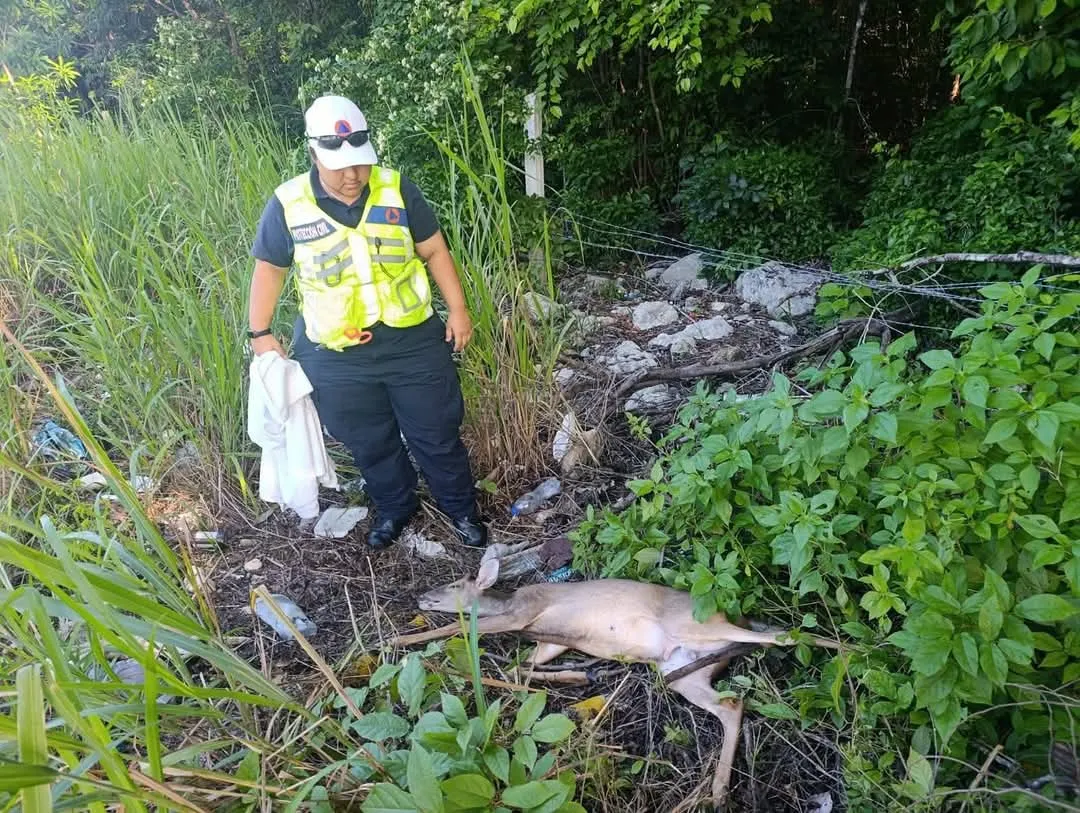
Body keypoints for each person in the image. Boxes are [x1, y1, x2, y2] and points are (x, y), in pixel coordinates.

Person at [246, 94, 488, 550]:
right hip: (334, 354)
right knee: (368, 440)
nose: (353, 175)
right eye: (339, 166)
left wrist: (458, 310)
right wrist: (260, 333)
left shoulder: (396, 189)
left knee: (435, 432)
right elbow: (270, 269)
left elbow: (434, 250)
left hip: (412, 341)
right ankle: (396, 507)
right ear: (313, 153)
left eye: (359, 163)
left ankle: (460, 509)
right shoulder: (288, 203)